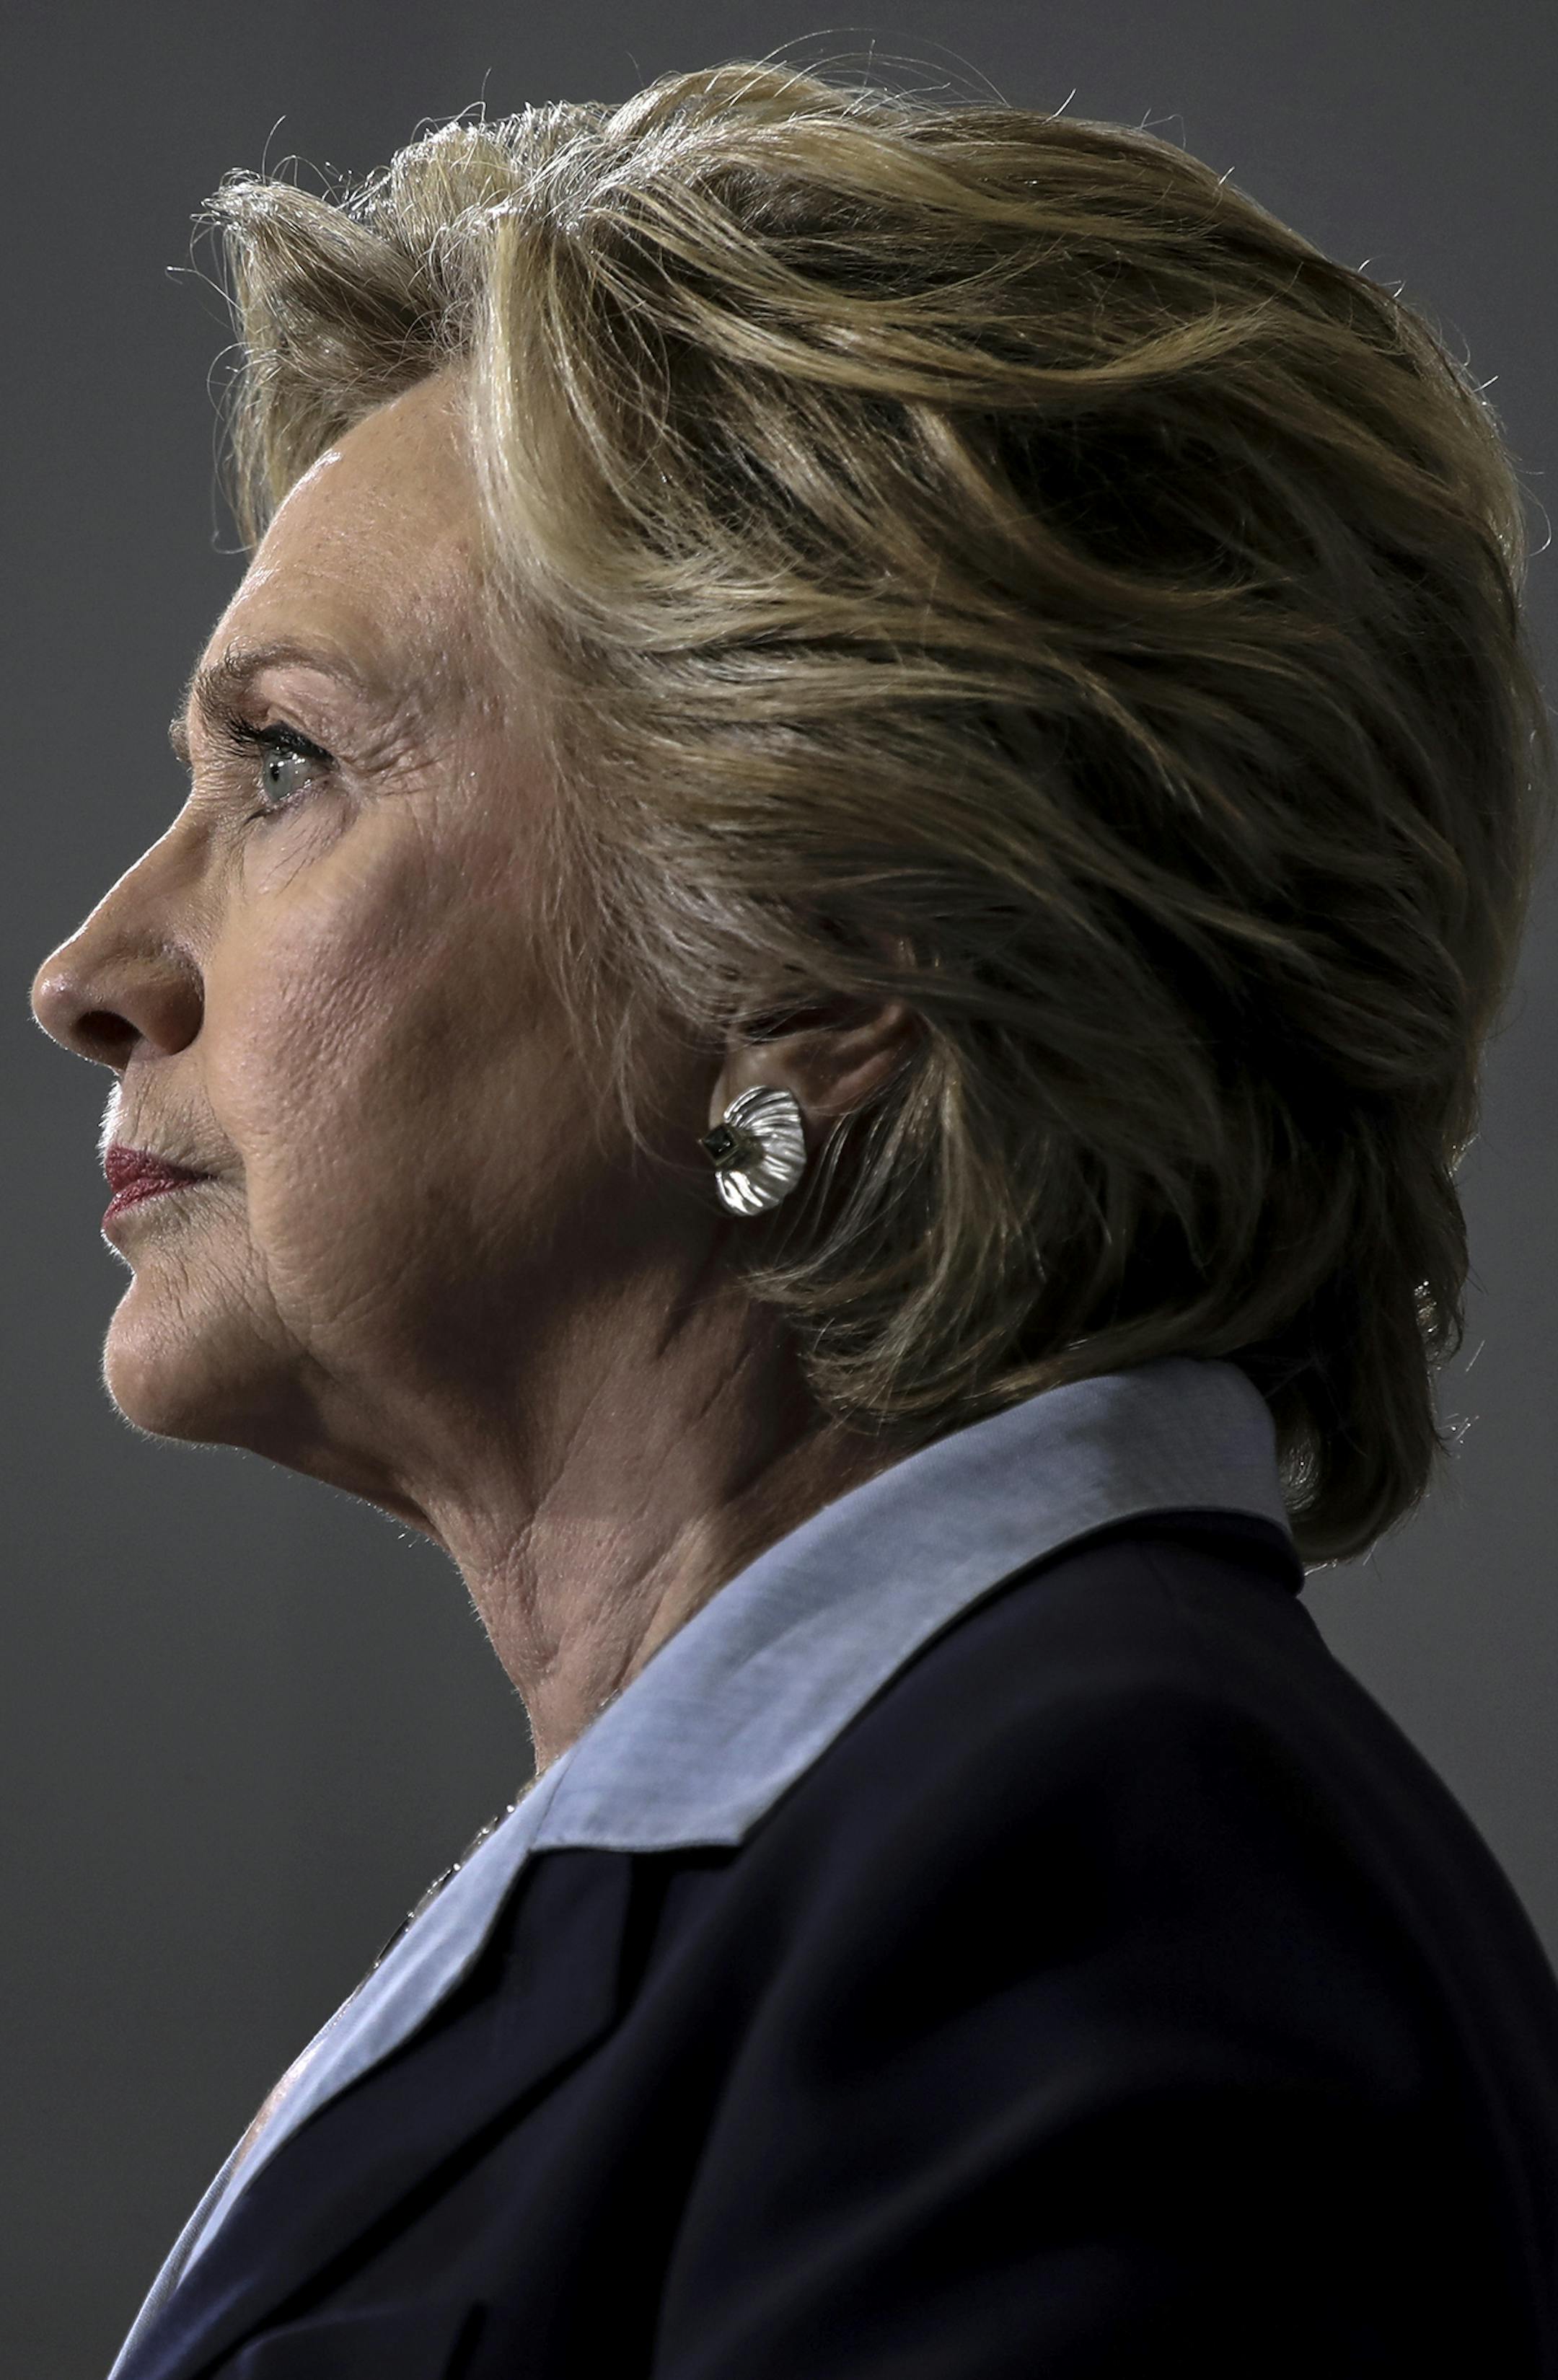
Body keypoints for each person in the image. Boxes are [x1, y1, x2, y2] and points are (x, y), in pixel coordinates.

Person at [30, 61, 1558, 2379]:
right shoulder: (946, 1844)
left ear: (818, 967)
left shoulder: (1090, 1891)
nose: (90, 972)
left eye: (289, 765)